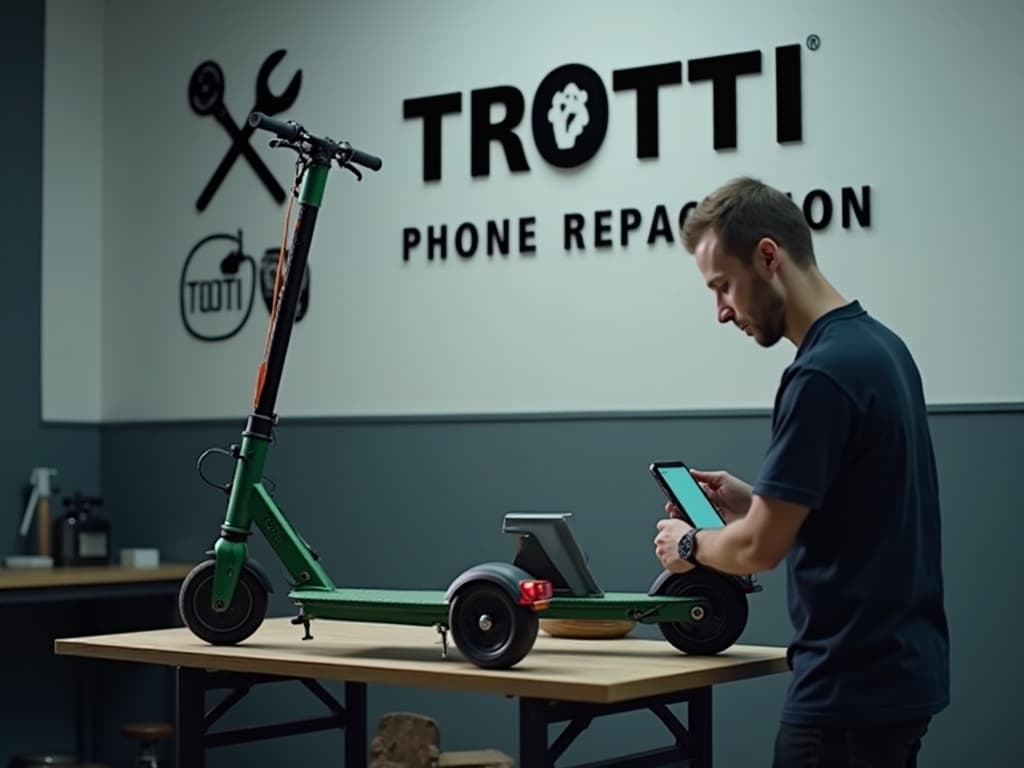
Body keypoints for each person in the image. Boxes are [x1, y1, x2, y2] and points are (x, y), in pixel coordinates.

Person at [653, 177, 950, 768]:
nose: (721, 312)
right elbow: (858, 510)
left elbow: (760, 548)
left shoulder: (818, 375)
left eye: (723, 287)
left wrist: (691, 542)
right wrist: (759, 499)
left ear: (768, 257)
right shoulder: (881, 347)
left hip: (844, 698)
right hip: (899, 680)